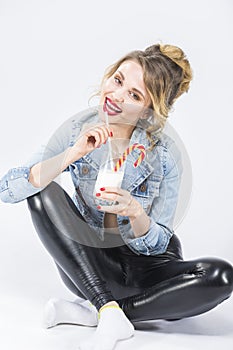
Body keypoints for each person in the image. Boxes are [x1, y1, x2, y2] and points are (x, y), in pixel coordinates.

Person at [1, 43, 233, 350]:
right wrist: (73, 153)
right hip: (91, 265)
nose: (116, 95)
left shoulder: (164, 158)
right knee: (41, 191)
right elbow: (9, 188)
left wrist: (136, 214)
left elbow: (160, 241)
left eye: (134, 95)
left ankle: (98, 311)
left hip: (148, 271)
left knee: (220, 276)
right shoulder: (76, 133)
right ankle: (107, 307)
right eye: (118, 80)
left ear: (149, 111)